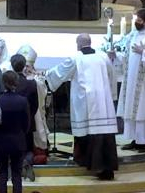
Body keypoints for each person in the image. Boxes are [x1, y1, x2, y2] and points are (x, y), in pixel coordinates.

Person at [45, 34, 119, 180]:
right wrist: (111, 95)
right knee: (103, 132)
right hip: (103, 101)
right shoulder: (103, 56)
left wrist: (45, 75)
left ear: (78, 44)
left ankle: (87, 161)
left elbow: (59, 73)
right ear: (90, 43)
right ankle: (107, 167)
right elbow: (112, 75)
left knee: (87, 131)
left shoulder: (76, 58)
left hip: (86, 102)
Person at [111, 9, 145, 153]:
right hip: (131, 81)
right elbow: (128, 57)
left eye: (139, 21)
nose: (136, 23)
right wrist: (115, 54)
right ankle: (136, 139)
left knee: (144, 111)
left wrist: (144, 53)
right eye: (136, 20)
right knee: (133, 111)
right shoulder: (133, 35)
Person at [0, 71, 31, 193]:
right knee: (17, 175)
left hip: (0, 141)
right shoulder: (23, 101)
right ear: (16, 83)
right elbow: (27, 124)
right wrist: (21, 134)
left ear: (3, 83)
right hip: (17, 141)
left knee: (2, 175)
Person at [10, 54, 40, 181]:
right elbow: (35, 105)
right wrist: (28, 116)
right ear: (24, 66)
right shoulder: (31, 84)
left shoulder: (7, 82)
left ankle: (14, 170)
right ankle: (27, 163)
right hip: (27, 122)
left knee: (12, 146)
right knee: (27, 147)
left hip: (10, 122)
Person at [16, 45, 49, 154]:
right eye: (24, 66)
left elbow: (42, 90)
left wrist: (34, 78)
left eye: (28, 66)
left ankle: (37, 150)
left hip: (35, 112)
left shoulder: (37, 78)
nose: (26, 69)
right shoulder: (15, 78)